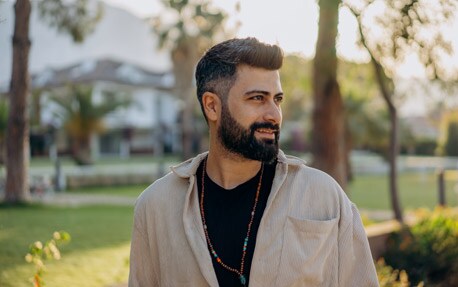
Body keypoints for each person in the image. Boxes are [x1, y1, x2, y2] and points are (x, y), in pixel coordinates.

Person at [129, 37, 379, 287]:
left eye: (277, 99)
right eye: (258, 98)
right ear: (212, 106)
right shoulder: (155, 207)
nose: (274, 114)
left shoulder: (324, 196)